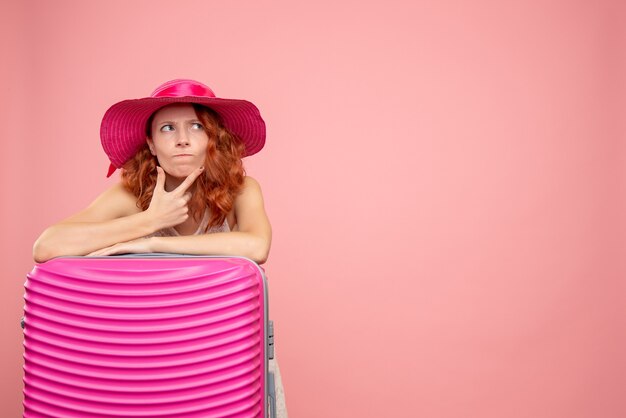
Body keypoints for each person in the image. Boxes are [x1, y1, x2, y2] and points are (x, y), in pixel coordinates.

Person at [32, 79, 288, 416]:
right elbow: (47, 245)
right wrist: (150, 219)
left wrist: (153, 243)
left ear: (212, 138)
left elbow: (256, 245)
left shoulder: (242, 189)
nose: (182, 139)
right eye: (168, 128)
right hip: (151, 353)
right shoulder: (130, 193)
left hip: (223, 353)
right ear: (151, 144)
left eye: (196, 126)